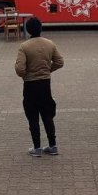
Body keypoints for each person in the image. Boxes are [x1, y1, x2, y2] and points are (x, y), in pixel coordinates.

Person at [15, 18, 64, 157]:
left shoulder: (25, 46)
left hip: (30, 84)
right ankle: (53, 145)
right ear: (41, 28)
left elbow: (19, 68)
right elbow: (60, 62)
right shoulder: (50, 43)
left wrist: (26, 74)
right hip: (45, 83)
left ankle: (37, 147)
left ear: (28, 30)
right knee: (47, 114)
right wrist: (48, 69)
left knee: (33, 117)